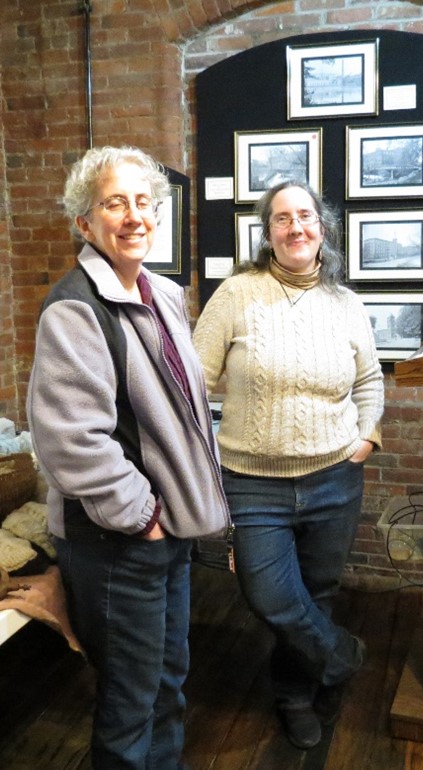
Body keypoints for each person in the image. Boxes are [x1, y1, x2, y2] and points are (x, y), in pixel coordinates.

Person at [26, 145, 231, 770]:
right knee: (128, 698)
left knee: (168, 680)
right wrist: (142, 516)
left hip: (164, 533)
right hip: (119, 541)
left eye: (144, 202)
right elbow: (71, 440)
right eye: (115, 203)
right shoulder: (74, 309)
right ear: (85, 223)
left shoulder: (162, 294)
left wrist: (174, 515)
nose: (134, 215)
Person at [192, 180, 384, 749]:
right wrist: (204, 455)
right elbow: (193, 384)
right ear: (267, 232)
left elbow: (370, 381)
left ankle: (296, 694)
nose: (295, 227)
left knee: (316, 594)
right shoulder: (236, 294)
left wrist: (366, 440)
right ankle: (340, 656)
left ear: (322, 226)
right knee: (271, 595)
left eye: (305, 215)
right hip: (253, 484)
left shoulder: (346, 303)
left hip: (334, 477)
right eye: (282, 218)